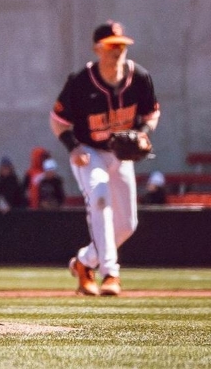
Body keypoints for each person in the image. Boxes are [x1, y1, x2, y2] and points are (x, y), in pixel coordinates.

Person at [53, 21, 159, 297]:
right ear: (97, 49)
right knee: (100, 197)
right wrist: (73, 147)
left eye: (122, 45)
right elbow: (58, 122)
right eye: (112, 46)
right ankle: (111, 273)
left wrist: (145, 133)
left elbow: (151, 115)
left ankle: (84, 263)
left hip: (121, 155)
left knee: (126, 225)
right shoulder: (80, 82)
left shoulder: (139, 78)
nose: (118, 50)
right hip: (90, 153)